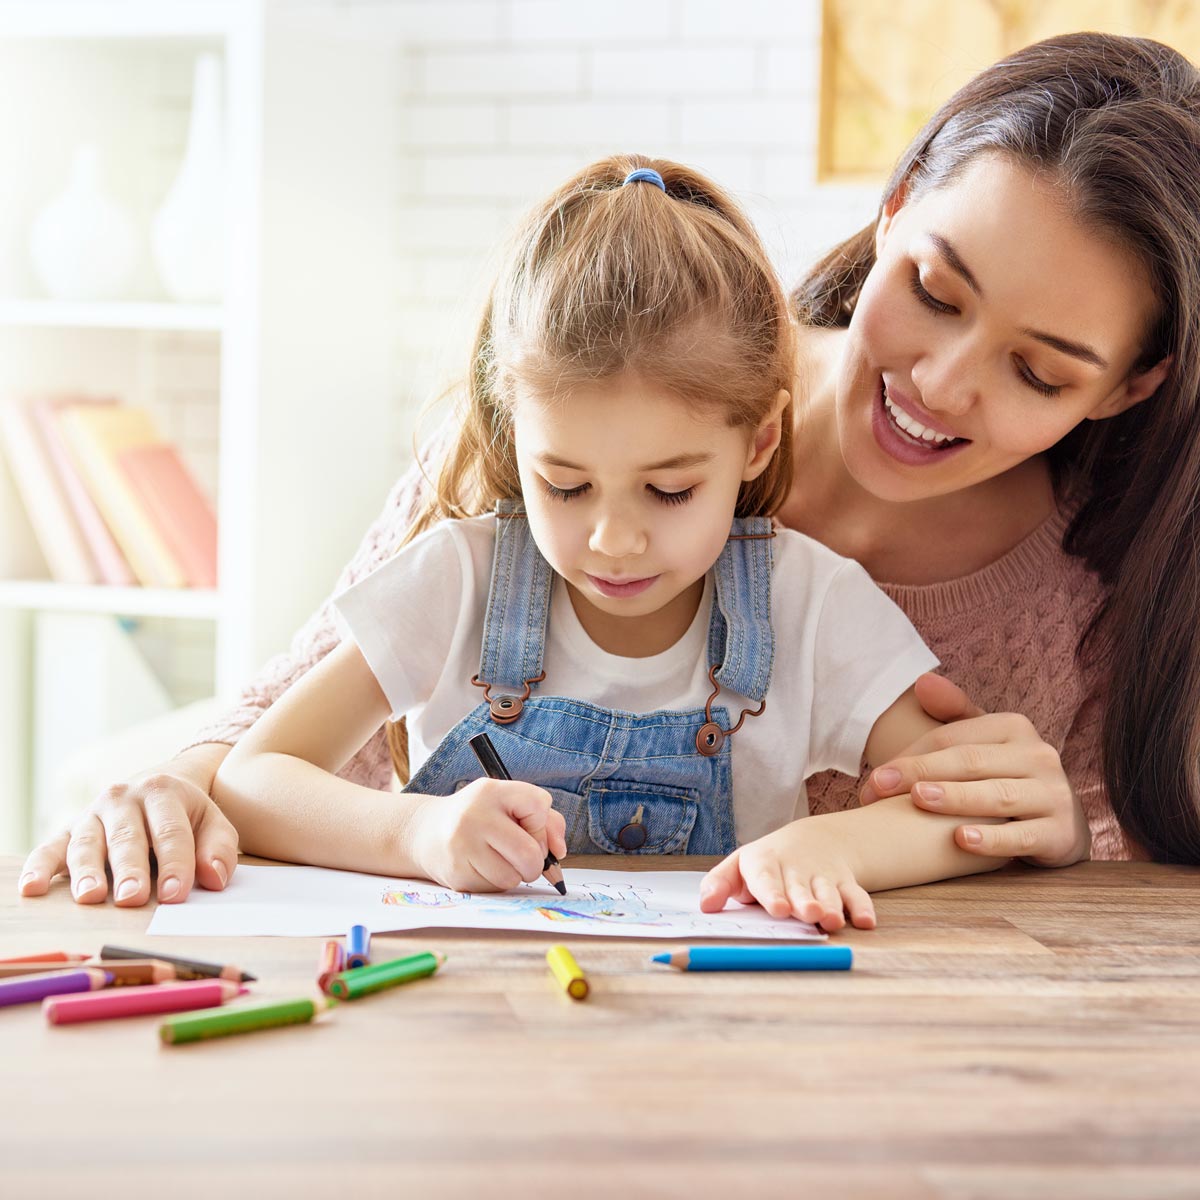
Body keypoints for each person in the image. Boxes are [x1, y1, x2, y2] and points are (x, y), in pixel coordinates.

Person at [19, 31, 1200, 911]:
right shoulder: (603, 378)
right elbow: (276, 724)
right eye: (936, 291)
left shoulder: (1091, 594)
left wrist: (1043, 834)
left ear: (1129, 385)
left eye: (1039, 373)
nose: (943, 382)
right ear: (892, 208)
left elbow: (1080, 878)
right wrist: (181, 781)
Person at [209, 155, 1019, 933]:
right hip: (466, 1021)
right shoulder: (460, 581)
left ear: (761, 441)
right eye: (564, 484)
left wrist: (833, 843)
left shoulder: (808, 605)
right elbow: (252, 780)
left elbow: (960, 811)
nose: (613, 540)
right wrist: (416, 834)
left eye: (670, 490)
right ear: (512, 433)